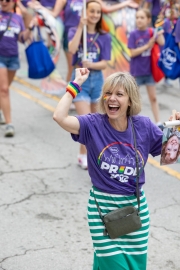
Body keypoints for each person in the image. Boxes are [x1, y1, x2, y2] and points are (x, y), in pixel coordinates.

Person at [53, 68, 180, 269]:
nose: (112, 98)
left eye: (119, 94)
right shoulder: (93, 124)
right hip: (102, 211)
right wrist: (76, 84)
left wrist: (176, 132)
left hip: (135, 212)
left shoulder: (143, 126)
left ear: (130, 100)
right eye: (108, 93)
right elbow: (59, 117)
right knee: (112, 265)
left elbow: (170, 157)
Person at [68, 0, 111, 169]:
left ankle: (84, 154)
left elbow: (105, 63)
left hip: (98, 81)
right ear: (85, 13)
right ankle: (85, 156)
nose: (94, 15)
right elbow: (71, 49)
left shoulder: (105, 36)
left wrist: (91, 64)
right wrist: (80, 27)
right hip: (80, 81)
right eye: (91, 11)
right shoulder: (74, 30)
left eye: (97, 12)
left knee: (97, 123)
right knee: (86, 122)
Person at [0, 0, 36, 137]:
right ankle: (9, 124)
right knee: (3, 89)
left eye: (8, 0)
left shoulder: (17, 18)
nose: (4, 2)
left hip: (13, 58)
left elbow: (21, 38)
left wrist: (30, 29)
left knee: (3, 89)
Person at [128, 8, 164, 127]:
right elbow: (132, 53)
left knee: (153, 98)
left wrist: (158, 32)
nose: (139, 20)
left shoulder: (151, 32)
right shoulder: (133, 34)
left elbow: (162, 42)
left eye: (142, 18)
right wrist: (147, 46)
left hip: (149, 71)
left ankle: (158, 122)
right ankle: (132, 121)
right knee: (133, 100)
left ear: (148, 20)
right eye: (137, 17)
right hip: (136, 72)